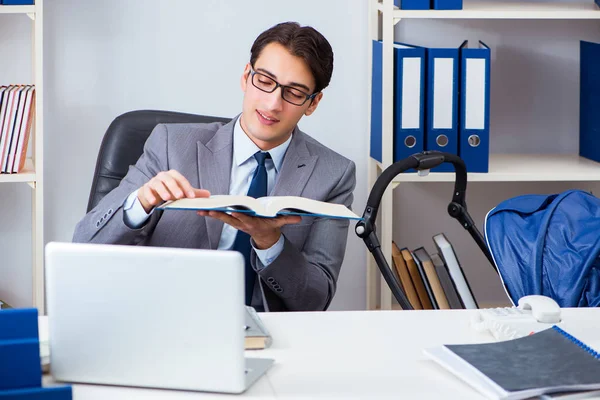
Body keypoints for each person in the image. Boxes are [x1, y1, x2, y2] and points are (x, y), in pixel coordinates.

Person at [73, 22, 356, 312]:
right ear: (246, 77)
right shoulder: (171, 144)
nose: (273, 104)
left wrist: (269, 240)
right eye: (265, 81)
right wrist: (141, 203)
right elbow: (85, 245)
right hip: (166, 320)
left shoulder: (333, 174)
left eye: (294, 93)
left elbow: (316, 300)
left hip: (268, 336)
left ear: (313, 103)